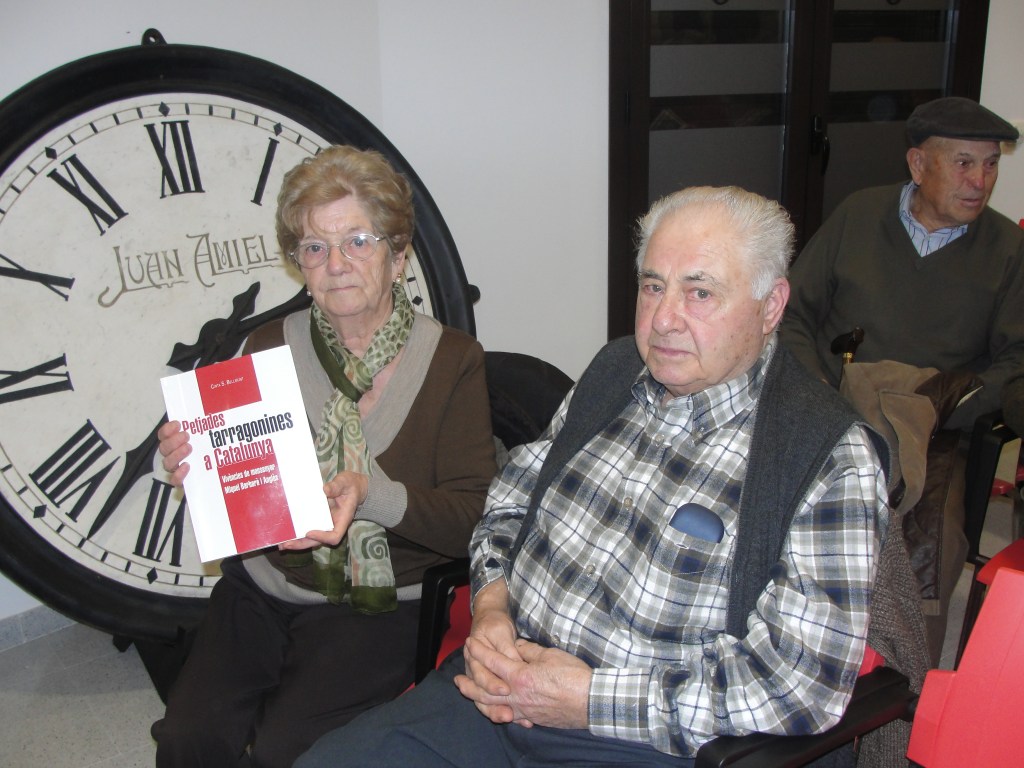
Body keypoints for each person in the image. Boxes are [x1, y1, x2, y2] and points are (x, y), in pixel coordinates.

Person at [294, 185, 891, 767]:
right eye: (652, 287)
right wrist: (494, 604)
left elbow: (797, 685)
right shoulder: (613, 372)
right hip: (497, 687)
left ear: (772, 306)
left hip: (641, 740)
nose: (664, 320)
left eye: (700, 293)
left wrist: (588, 700)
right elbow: (510, 502)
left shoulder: (826, 455)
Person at [151, 145, 497, 768]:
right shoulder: (264, 347)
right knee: (187, 738)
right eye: (315, 247)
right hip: (266, 583)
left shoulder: (453, 361)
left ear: (398, 256)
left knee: (288, 750)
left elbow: (475, 518)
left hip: (383, 601)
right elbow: (239, 479)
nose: (336, 265)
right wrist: (186, 461)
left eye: (358, 241)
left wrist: (371, 494)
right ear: (299, 263)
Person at [780, 96, 1024, 663]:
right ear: (918, 164)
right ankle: (795, 648)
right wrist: (819, 391)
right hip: (832, 406)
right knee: (778, 505)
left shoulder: (1008, 250)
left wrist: (937, 405)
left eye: (990, 164)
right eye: (964, 163)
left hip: (935, 428)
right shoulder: (859, 215)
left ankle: (898, 676)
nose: (980, 181)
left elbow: (1016, 361)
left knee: (931, 541)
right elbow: (791, 315)